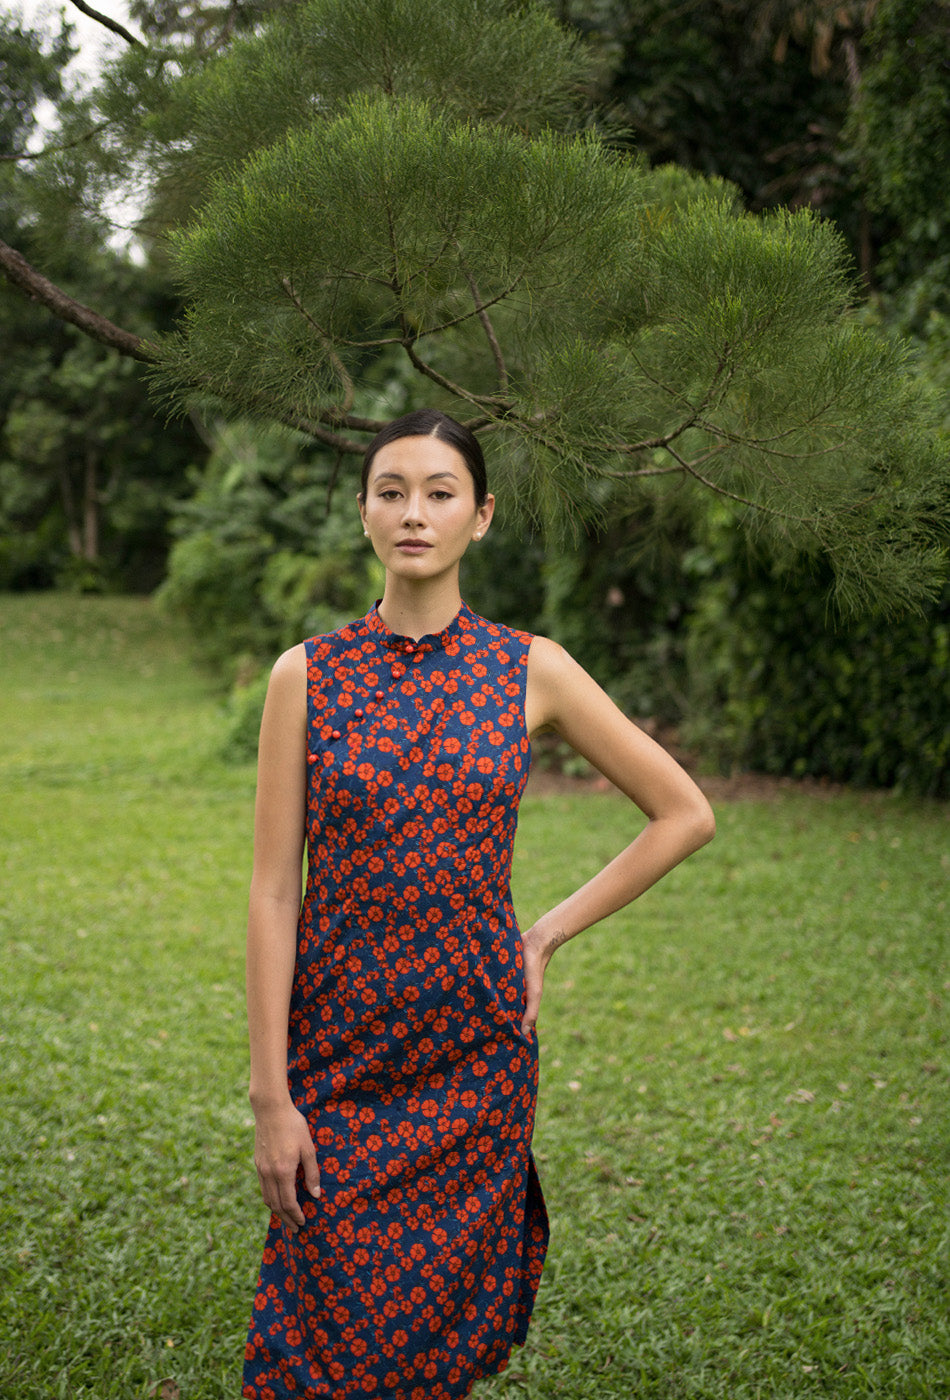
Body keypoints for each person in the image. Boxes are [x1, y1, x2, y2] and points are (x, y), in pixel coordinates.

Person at [242, 409, 715, 1400]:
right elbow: (274, 889)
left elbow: (683, 813)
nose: (414, 512)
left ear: (482, 514)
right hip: (338, 1059)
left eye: (439, 492)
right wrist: (270, 1098)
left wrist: (544, 934)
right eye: (391, 491)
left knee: (433, 1347)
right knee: (320, 1341)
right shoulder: (306, 675)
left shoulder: (529, 668)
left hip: (474, 1058)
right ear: (364, 511)